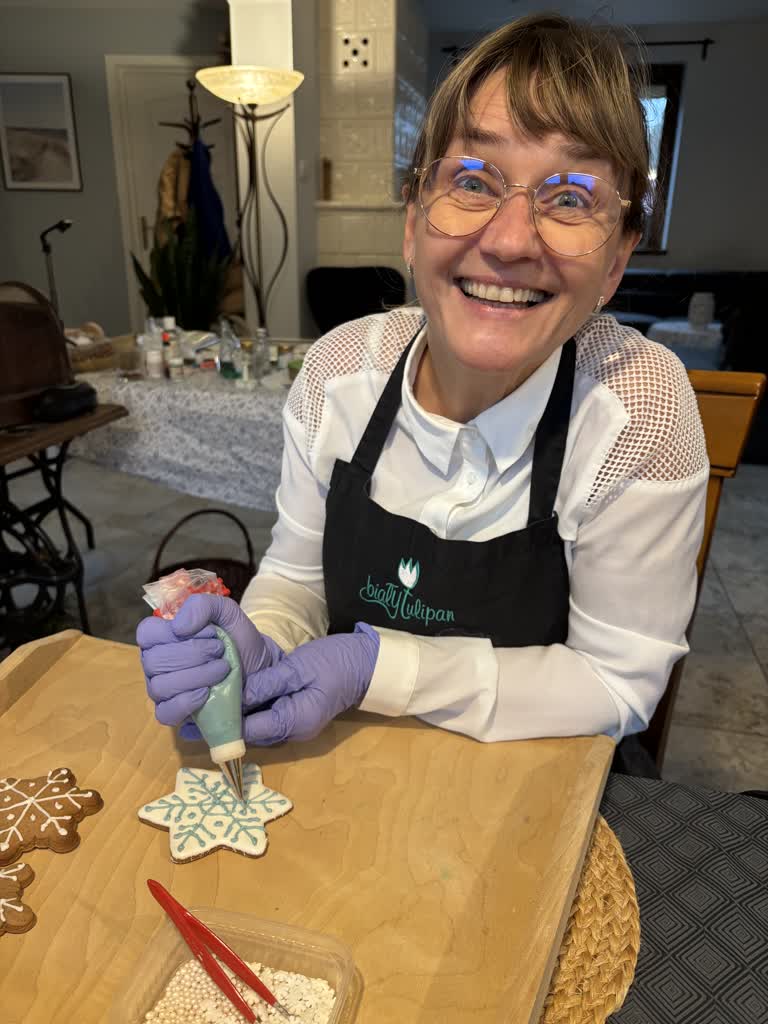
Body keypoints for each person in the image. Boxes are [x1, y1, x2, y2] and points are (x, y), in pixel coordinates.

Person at [137, 14, 708, 757]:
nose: (510, 240)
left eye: (571, 197)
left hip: (539, 779)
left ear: (618, 261)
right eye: (472, 180)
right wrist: (262, 645)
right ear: (413, 222)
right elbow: (297, 579)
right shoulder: (340, 374)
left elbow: (618, 683)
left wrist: (375, 667)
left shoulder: (639, 408)